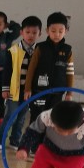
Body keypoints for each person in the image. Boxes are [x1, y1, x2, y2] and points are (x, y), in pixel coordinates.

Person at [23, 11, 75, 150]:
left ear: (66, 31)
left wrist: (69, 92)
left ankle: (45, 148)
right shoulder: (40, 48)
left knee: (52, 120)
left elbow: (70, 72)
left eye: (60, 31)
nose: (57, 34)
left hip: (57, 93)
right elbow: (31, 70)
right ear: (47, 31)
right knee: (37, 118)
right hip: (39, 91)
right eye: (53, 31)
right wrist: (27, 89)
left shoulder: (68, 50)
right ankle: (32, 146)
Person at [0, 15, 41, 151]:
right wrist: (5, 88)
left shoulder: (39, 51)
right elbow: (7, 71)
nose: (31, 35)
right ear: (21, 33)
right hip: (14, 90)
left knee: (21, 117)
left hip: (28, 92)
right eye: (27, 32)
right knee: (10, 116)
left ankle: (15, 141)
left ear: (40, 34)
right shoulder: (13, 51)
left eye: (34, 33)